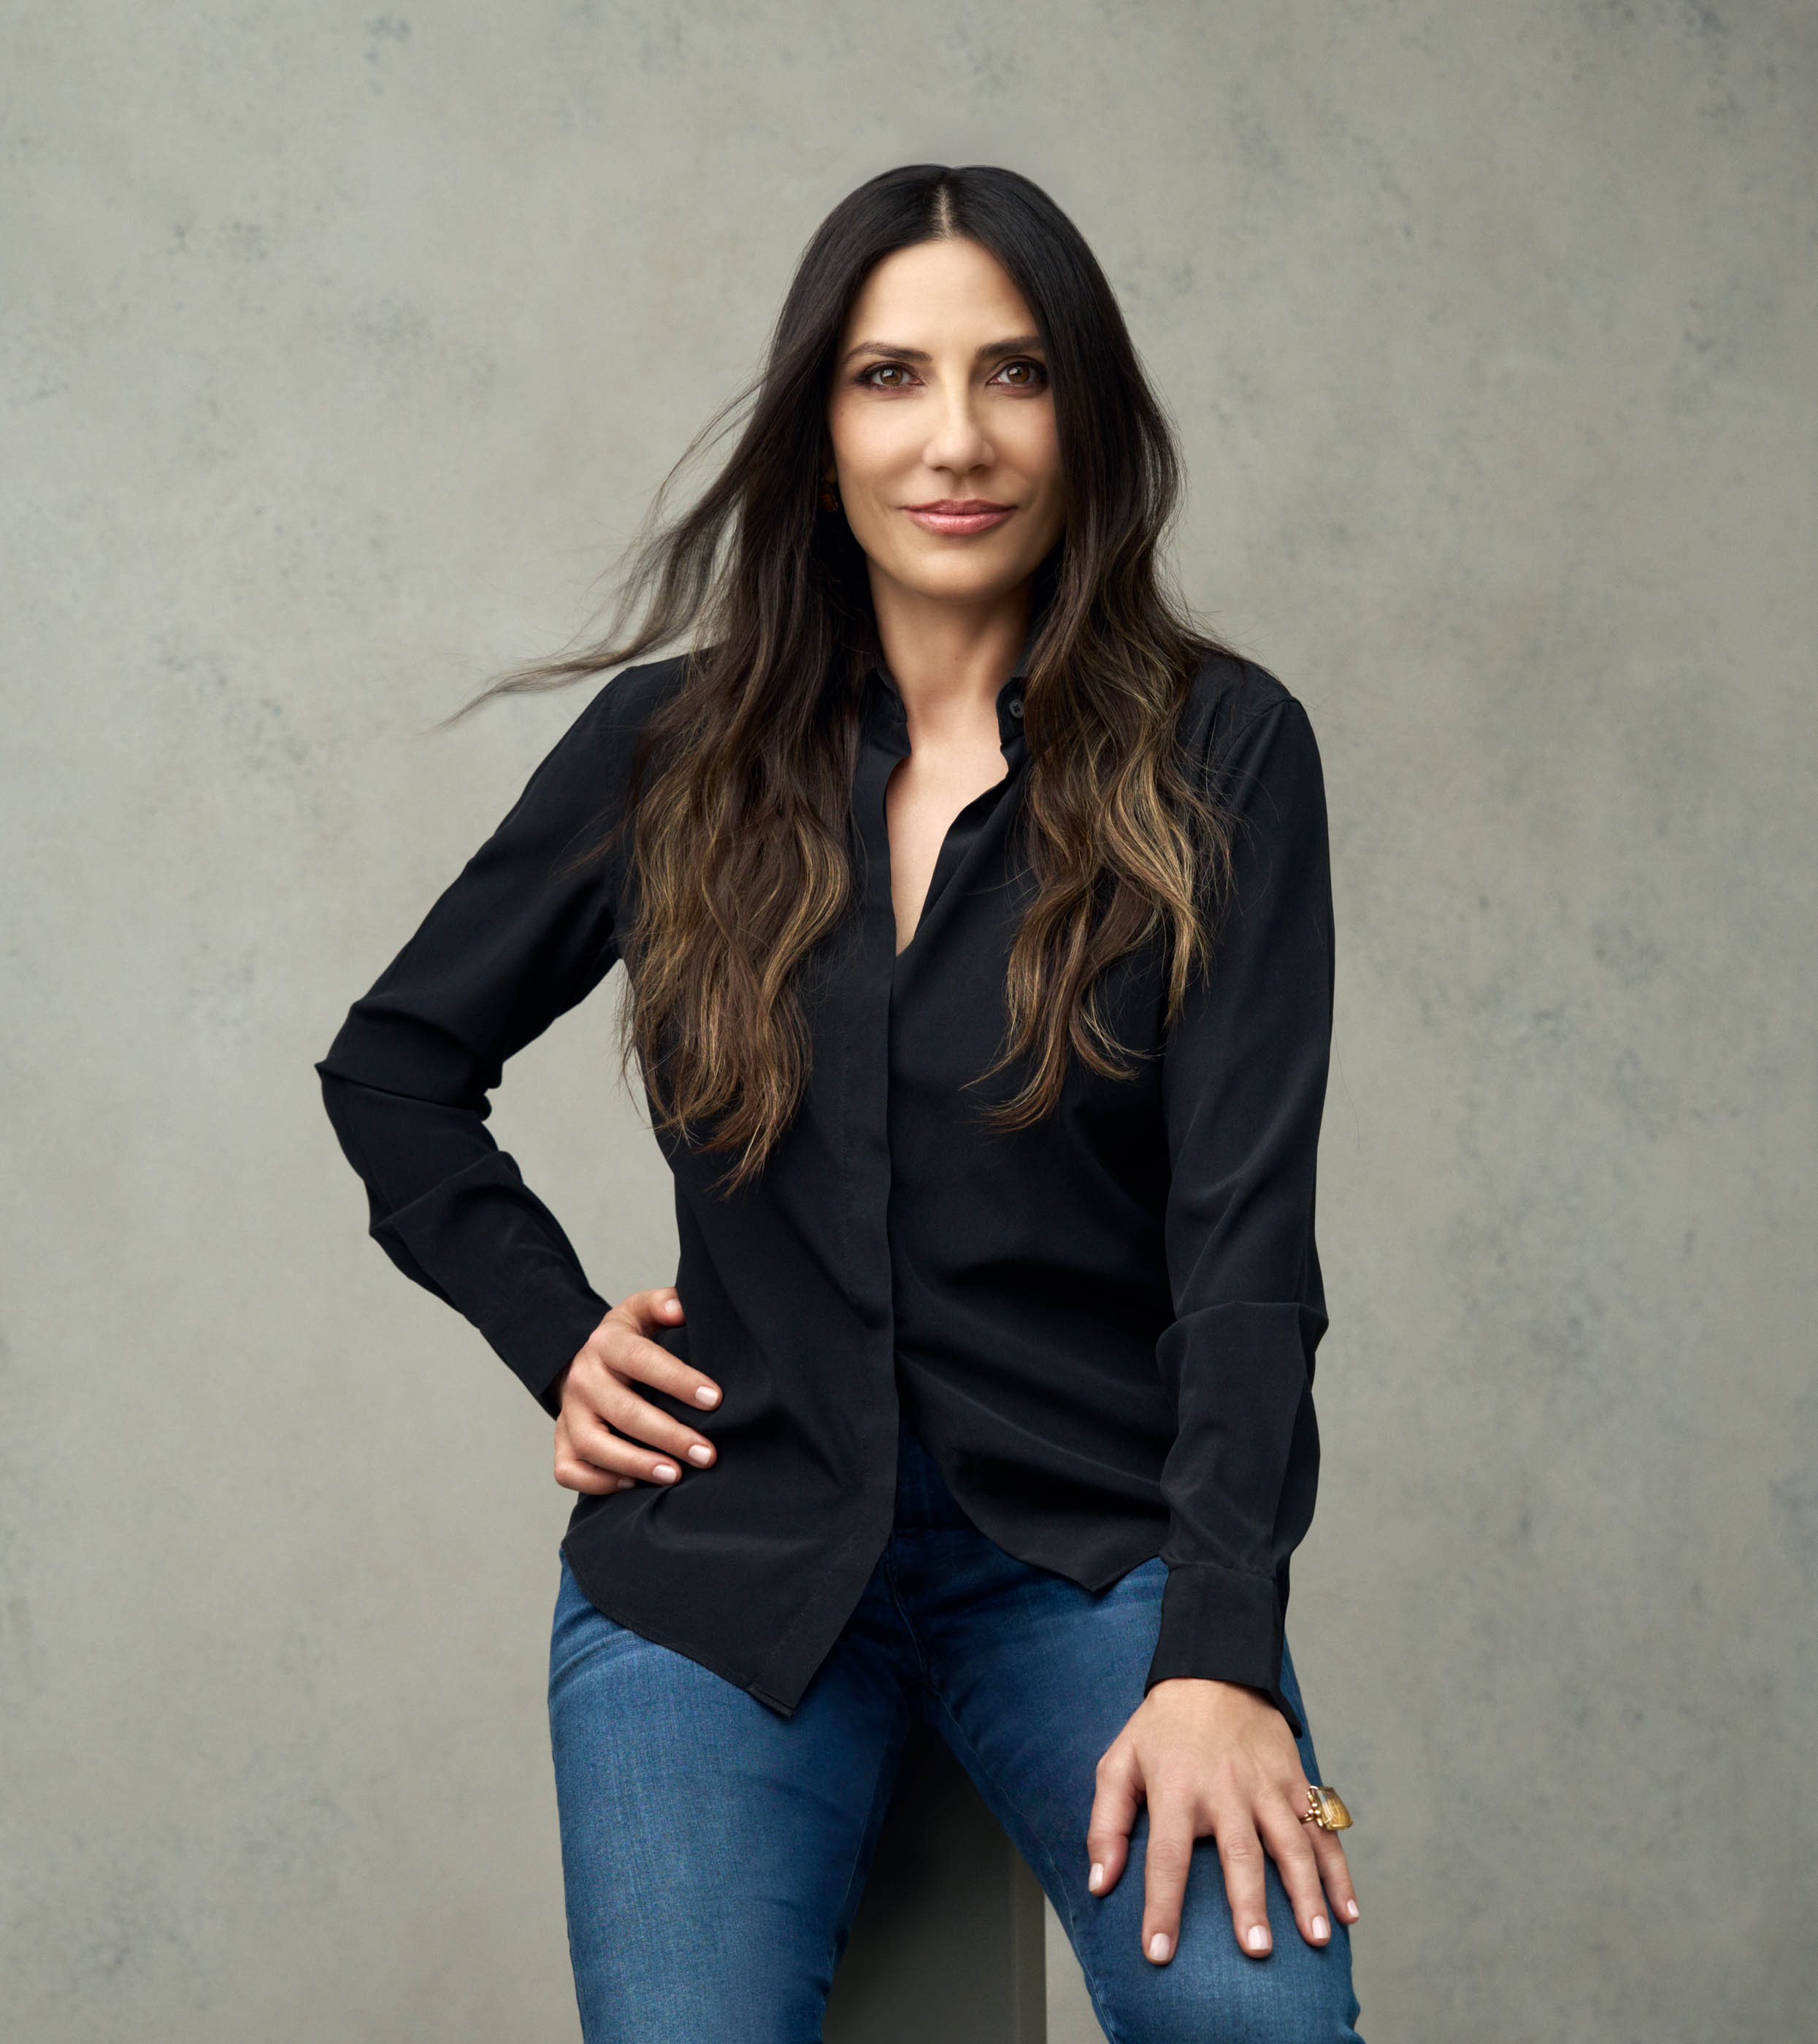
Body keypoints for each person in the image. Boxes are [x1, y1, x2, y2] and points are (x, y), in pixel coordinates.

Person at [318, 163, 1362, 2043]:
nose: (953, 439)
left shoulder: (1227, 753)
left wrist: (1223, 1660)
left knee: (1258, 2029)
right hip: (725, 1567)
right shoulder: (670, 751)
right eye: (891, 377)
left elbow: (1247, 1249)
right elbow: (396, 1068)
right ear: (819, 435)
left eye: (1014, 374)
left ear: (1087, 420)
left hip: (1095, 1562)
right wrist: (557, 1335)